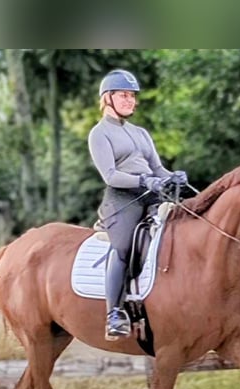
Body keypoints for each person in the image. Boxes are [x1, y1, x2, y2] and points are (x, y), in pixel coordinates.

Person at [88, 69, 188, 341]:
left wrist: (172, 176)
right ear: (107, 98)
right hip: (123, 200)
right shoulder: (99, 134)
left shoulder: (140, 133)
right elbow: (110, 175)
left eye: (132, 96)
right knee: (122, 247)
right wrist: (144, 180)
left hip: (152, 194)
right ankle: (115, 313)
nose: (130, 101)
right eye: (124, 95)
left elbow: (157, 167)